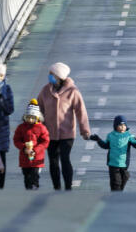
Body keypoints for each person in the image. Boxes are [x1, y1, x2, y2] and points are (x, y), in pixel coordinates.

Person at [37, 62, 91, 191]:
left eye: (52, 74)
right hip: (49, 133)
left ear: (59, 76)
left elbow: (80, 111)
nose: (49, 76)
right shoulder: (45, 90)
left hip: (66, 133)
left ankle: (68, 188)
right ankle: (57, 187)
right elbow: (37, 107)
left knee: (65, 159)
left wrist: (84, 130)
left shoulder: (73, 91)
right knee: (53, 161)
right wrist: (36, 122)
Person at [90, 115, 136, 191]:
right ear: (115, 126)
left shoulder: (129, 136)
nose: (122, 127)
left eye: (124, 125)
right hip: (113, 164)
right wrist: (98, 140)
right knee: (116, 183)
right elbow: (105, 145)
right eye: (120, 125)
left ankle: (117, 195)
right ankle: (115, 198)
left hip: (124, 164)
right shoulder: (110, 136)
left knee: (124, 178)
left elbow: (135, 142)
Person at [13, 99, 50, 190]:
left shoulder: (41, 128)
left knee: (35, 174)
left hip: (37, 157)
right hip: (24, 157)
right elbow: (16, 140)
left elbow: (45, 141)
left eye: (32, 117)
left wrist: (36, 150)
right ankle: (28, 189)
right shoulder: (21, 127)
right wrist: (23, 148)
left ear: (37, 118)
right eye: (28, 117)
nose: (30, 119)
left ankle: (35, 186)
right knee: (26, 175)